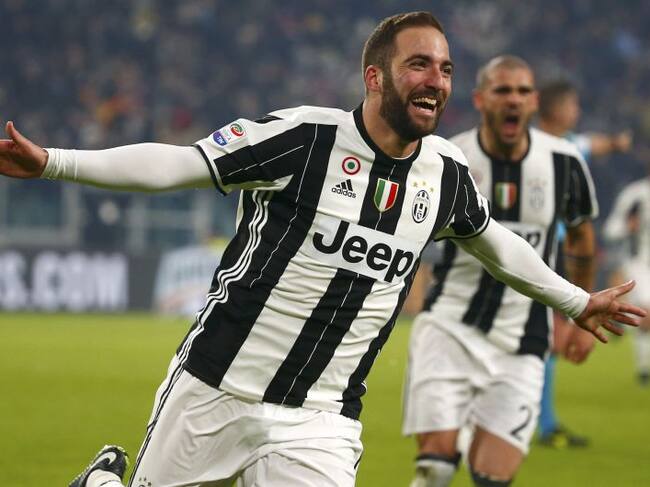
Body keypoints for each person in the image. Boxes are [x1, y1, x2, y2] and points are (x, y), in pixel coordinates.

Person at [0, 13, 643, 487]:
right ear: (375, 76)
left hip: (321, 416)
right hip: (218, 385)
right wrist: (55, 161)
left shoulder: (445, 173)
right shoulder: (305, 138)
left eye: (446, 69)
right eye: (419, 64)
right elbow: (180, 164)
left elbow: (496, 242)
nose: (436, 80)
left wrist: (575, 300)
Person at [401, 55, 604, 487]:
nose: (514, 99)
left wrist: (577, 316)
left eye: (523, 91)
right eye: (502, 90)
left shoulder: (564, 161)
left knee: (492, 479)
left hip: (523, 341)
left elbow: (582, 239)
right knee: (436, 469)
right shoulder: (449, 158)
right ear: (480, 99)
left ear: (534, 102)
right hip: (450, 326)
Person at [536, 79, 634, 448]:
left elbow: (594, 143)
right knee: (545, 338)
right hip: (541, 250)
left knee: (544, 338)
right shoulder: (546, 147)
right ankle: (539, 423)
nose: (577, 112)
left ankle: (541, 421)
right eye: (573, 105)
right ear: (559, 109)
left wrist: (617, 143)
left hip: (548, 250)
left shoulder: (563, 145)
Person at [603, 173, 650, 385]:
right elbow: (610, 230)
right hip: (639, 263)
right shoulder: (635, 194)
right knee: (647, 311)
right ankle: (644, 369)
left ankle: (643, 368)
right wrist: (627, 227)